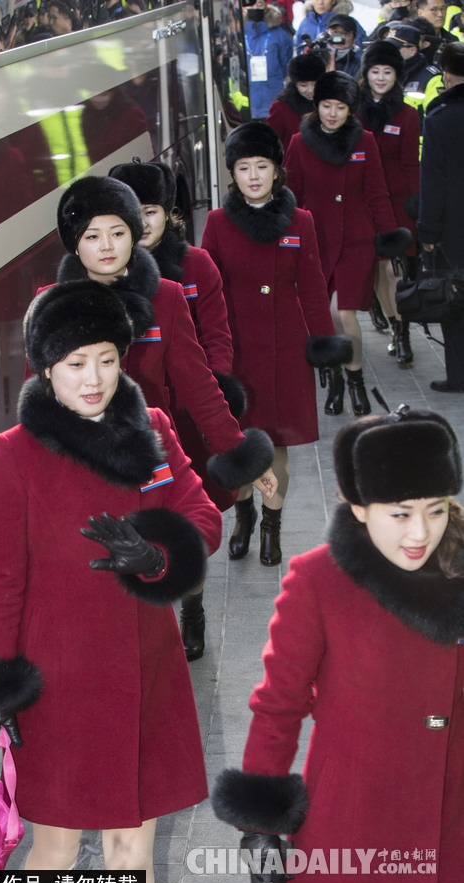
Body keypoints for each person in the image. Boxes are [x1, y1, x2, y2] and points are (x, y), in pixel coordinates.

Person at [0, 280, 223, 883]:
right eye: (76, 364)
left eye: (106, 360)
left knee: (133, 850)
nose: (94, 378)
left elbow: (204, 516)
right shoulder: (13, 454)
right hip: (58, 684)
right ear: (47, 370)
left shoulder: (150, 428)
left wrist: (157, 552)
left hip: (144, 670)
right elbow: (0, 582)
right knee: (57, 849)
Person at [212, 405, 464, 883]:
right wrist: (261, 832)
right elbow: (278, 707)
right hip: (354, 824)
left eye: (435, 509)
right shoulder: (319, 581)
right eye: (400, 514)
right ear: (359, 507)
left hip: (451, 814)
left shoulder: (458, 569)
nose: (420, 533)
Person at [35, 175, 277, 658]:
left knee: (166, 545)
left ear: (136, 233)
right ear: (73, 243)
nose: (107, 246)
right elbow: (37, 396)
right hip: (83, 460)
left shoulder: (166, 296)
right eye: (91, 236)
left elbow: (199, 383)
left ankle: (191, 608)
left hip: (152, 454)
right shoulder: (49, 302)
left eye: (118, 232)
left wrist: (239, 452)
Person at [107, 158, 245, 656]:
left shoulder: (184, 275)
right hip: (110, 438)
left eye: (150, 212)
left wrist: (230, 437)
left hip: (173, 426)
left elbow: (206, 355)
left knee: (180, 526)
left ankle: (192, 605)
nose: (140, 227)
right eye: (128, 217)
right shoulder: (75, 290)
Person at [201, 123, 351, 569]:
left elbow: (311, 287)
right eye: (243, 167)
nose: (252, 175)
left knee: (278, 443)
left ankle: (272, 526)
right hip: (237, 351)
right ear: (233, 173)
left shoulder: (299, 221)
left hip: (287, 351)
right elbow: (208, 292)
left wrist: (325, 345)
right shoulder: (217, 222)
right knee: (237, 440)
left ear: (276, 171)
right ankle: (243, 517)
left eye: (261, 166)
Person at [284, 70, 411, 416]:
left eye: (340, 107)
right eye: (326, 105)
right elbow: (291, 196)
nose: (332, 114)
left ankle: (355, 380)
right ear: (317, 105)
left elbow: (377, 193)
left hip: (357, 240)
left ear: (350, 109)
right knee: (324, 316)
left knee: (342, 311)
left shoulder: (364, 140)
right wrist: (287, 240)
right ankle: (336, 378)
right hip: (316, 242)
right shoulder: (299, 142)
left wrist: (389, 243)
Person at [357, 41, 421, 365]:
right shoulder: (353, 110)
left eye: (387, 72)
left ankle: (403, 332)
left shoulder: (408, 115)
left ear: (396, 76)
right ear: (366, 73)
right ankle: (391, 319)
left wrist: (415, 202)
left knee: (394, 267)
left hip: (396, 204)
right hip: (363, 201)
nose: (380, 77)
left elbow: (411, 164)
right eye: (375, 71)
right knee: (378, 267)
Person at [418, 40, 464, 391]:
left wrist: (428, 231)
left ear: (446, 75)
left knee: (456, 298)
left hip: (453, 227)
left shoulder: (439, 119)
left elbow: (433, 180)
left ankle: (459, 375)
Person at [241, 0, 293, 120]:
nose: (255, 8)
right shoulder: (238, 34)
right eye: (251, 4)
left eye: (259, 4)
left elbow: (285, 65)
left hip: (273, 99)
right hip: (246, 102)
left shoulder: (279, 34)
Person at [267, 54, 327, 152]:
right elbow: (272, 143)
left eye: (315, 84)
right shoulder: (281, 107)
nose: (310, 90)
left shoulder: (330, 104)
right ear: (295, 84)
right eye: (303, 85)